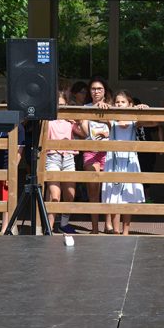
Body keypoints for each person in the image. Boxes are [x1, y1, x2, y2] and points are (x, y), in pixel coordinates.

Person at [101, 90, 156, 235]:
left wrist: (145, 109)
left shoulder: (134, 122)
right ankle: (116, 231)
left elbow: (154, 122)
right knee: (114, 197)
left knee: (128, 196)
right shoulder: (112, 121)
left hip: (130, 161)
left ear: (130, 104)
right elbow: (94, 117)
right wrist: (101, 106)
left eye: (123, 102)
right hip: (113, 161)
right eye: (117, 102)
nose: (119, 104)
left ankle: (126, 231)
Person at [75, 76, 112, 234]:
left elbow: (117, 128)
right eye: (93, 89)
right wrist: (82, 121)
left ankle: (109, 225)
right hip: (90, 150)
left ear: (105, 91)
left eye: (99, 89)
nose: (96, 91)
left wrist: (107, 116)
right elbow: (85, 133)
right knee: (93, 190)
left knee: (108, 189)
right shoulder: (85, 107)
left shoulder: (112, 106)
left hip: (108, 151)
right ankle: (95, 227)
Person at [45, 91, 79, 234]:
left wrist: (77, 121)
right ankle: (49, 227)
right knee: (55, 196)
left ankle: (63, 224)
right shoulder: (47, 120)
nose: (60, 107)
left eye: (63, 104)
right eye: (57, 104)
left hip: (69, 158)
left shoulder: (70, 121)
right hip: (52, 157)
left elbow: (84, 133)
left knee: (70, 195)